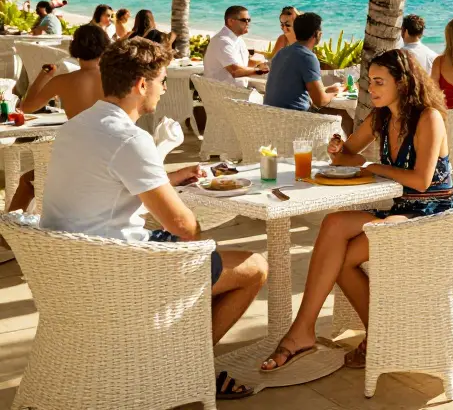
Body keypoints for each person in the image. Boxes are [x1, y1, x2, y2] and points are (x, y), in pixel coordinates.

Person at [39, 38, 267, 400]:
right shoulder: (130, 138)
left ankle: (175, 355)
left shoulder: (75, 127)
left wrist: (168, 179)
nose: (163, 88)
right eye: (161, 80)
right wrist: (201, 242)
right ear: (141, 84)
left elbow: (104, 182)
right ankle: (185, 365)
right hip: (122, 275)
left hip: (71, 271)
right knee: (253, 265)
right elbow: (182, 226)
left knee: (190, 249)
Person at [259, 49, 453, 372]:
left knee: (340, 259)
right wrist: (338, 149)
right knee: (334, 224)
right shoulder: (381, 117)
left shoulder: (428, 118)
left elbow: (420, 181)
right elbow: (347, 155)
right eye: (369, 83)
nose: (371, 90)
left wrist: (371, 164)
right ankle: (308, 331)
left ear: (403, 83)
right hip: (402, 208)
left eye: (379, 82)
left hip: (431, 213)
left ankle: (315, 333)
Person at [7, 24, 110, 213]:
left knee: (28, 181)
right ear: (105, 47)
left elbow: (26, 107)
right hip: (108, 155)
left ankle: (7, 236)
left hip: (76, 159)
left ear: (75, 48)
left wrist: (42, 76)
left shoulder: (63, 81)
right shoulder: (114, 80)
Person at [263, 12, 340, 112]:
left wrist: (325, 90)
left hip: (270, 115)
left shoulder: (281, 53)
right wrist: (335, 93)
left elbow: (292, 89)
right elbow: (320, 101)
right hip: (297, 119)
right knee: (341, 114)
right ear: (317, 34)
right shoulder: (307, 57)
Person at [203, 6, 267, 87]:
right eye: (244, 20)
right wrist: (260, 71)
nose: (248, 23)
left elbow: (244, 65)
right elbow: (235, 71)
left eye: (249, 20)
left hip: (236, 90)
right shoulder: (222, 41)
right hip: (223, 93)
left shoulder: (238, 39)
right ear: (230, 21)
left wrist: (260, 63)